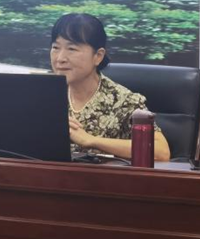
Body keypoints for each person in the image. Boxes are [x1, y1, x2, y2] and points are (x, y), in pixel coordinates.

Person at [49, 13, 171, 162]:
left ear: (98, 56)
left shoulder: (123, 100)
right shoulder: (44, 94)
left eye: (72, 49)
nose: (60, 58)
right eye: (55, 47)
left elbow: (161, 152)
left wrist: (91, 140)